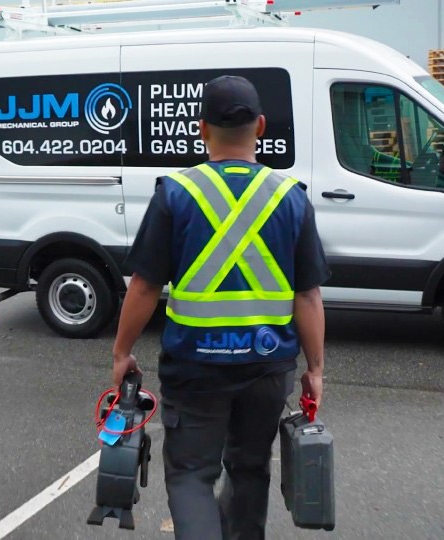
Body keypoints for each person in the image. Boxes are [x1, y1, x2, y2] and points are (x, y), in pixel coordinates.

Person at [111, 75, 330, 540]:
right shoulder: (290, 197)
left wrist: (121, 354)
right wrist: (316, 369)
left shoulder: (176, 193)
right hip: (267, 367)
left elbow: (145, 286)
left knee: (192, 474)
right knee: (250, 470)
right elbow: (308, 296)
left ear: (201, 128)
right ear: (262, 126)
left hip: (195, 367)